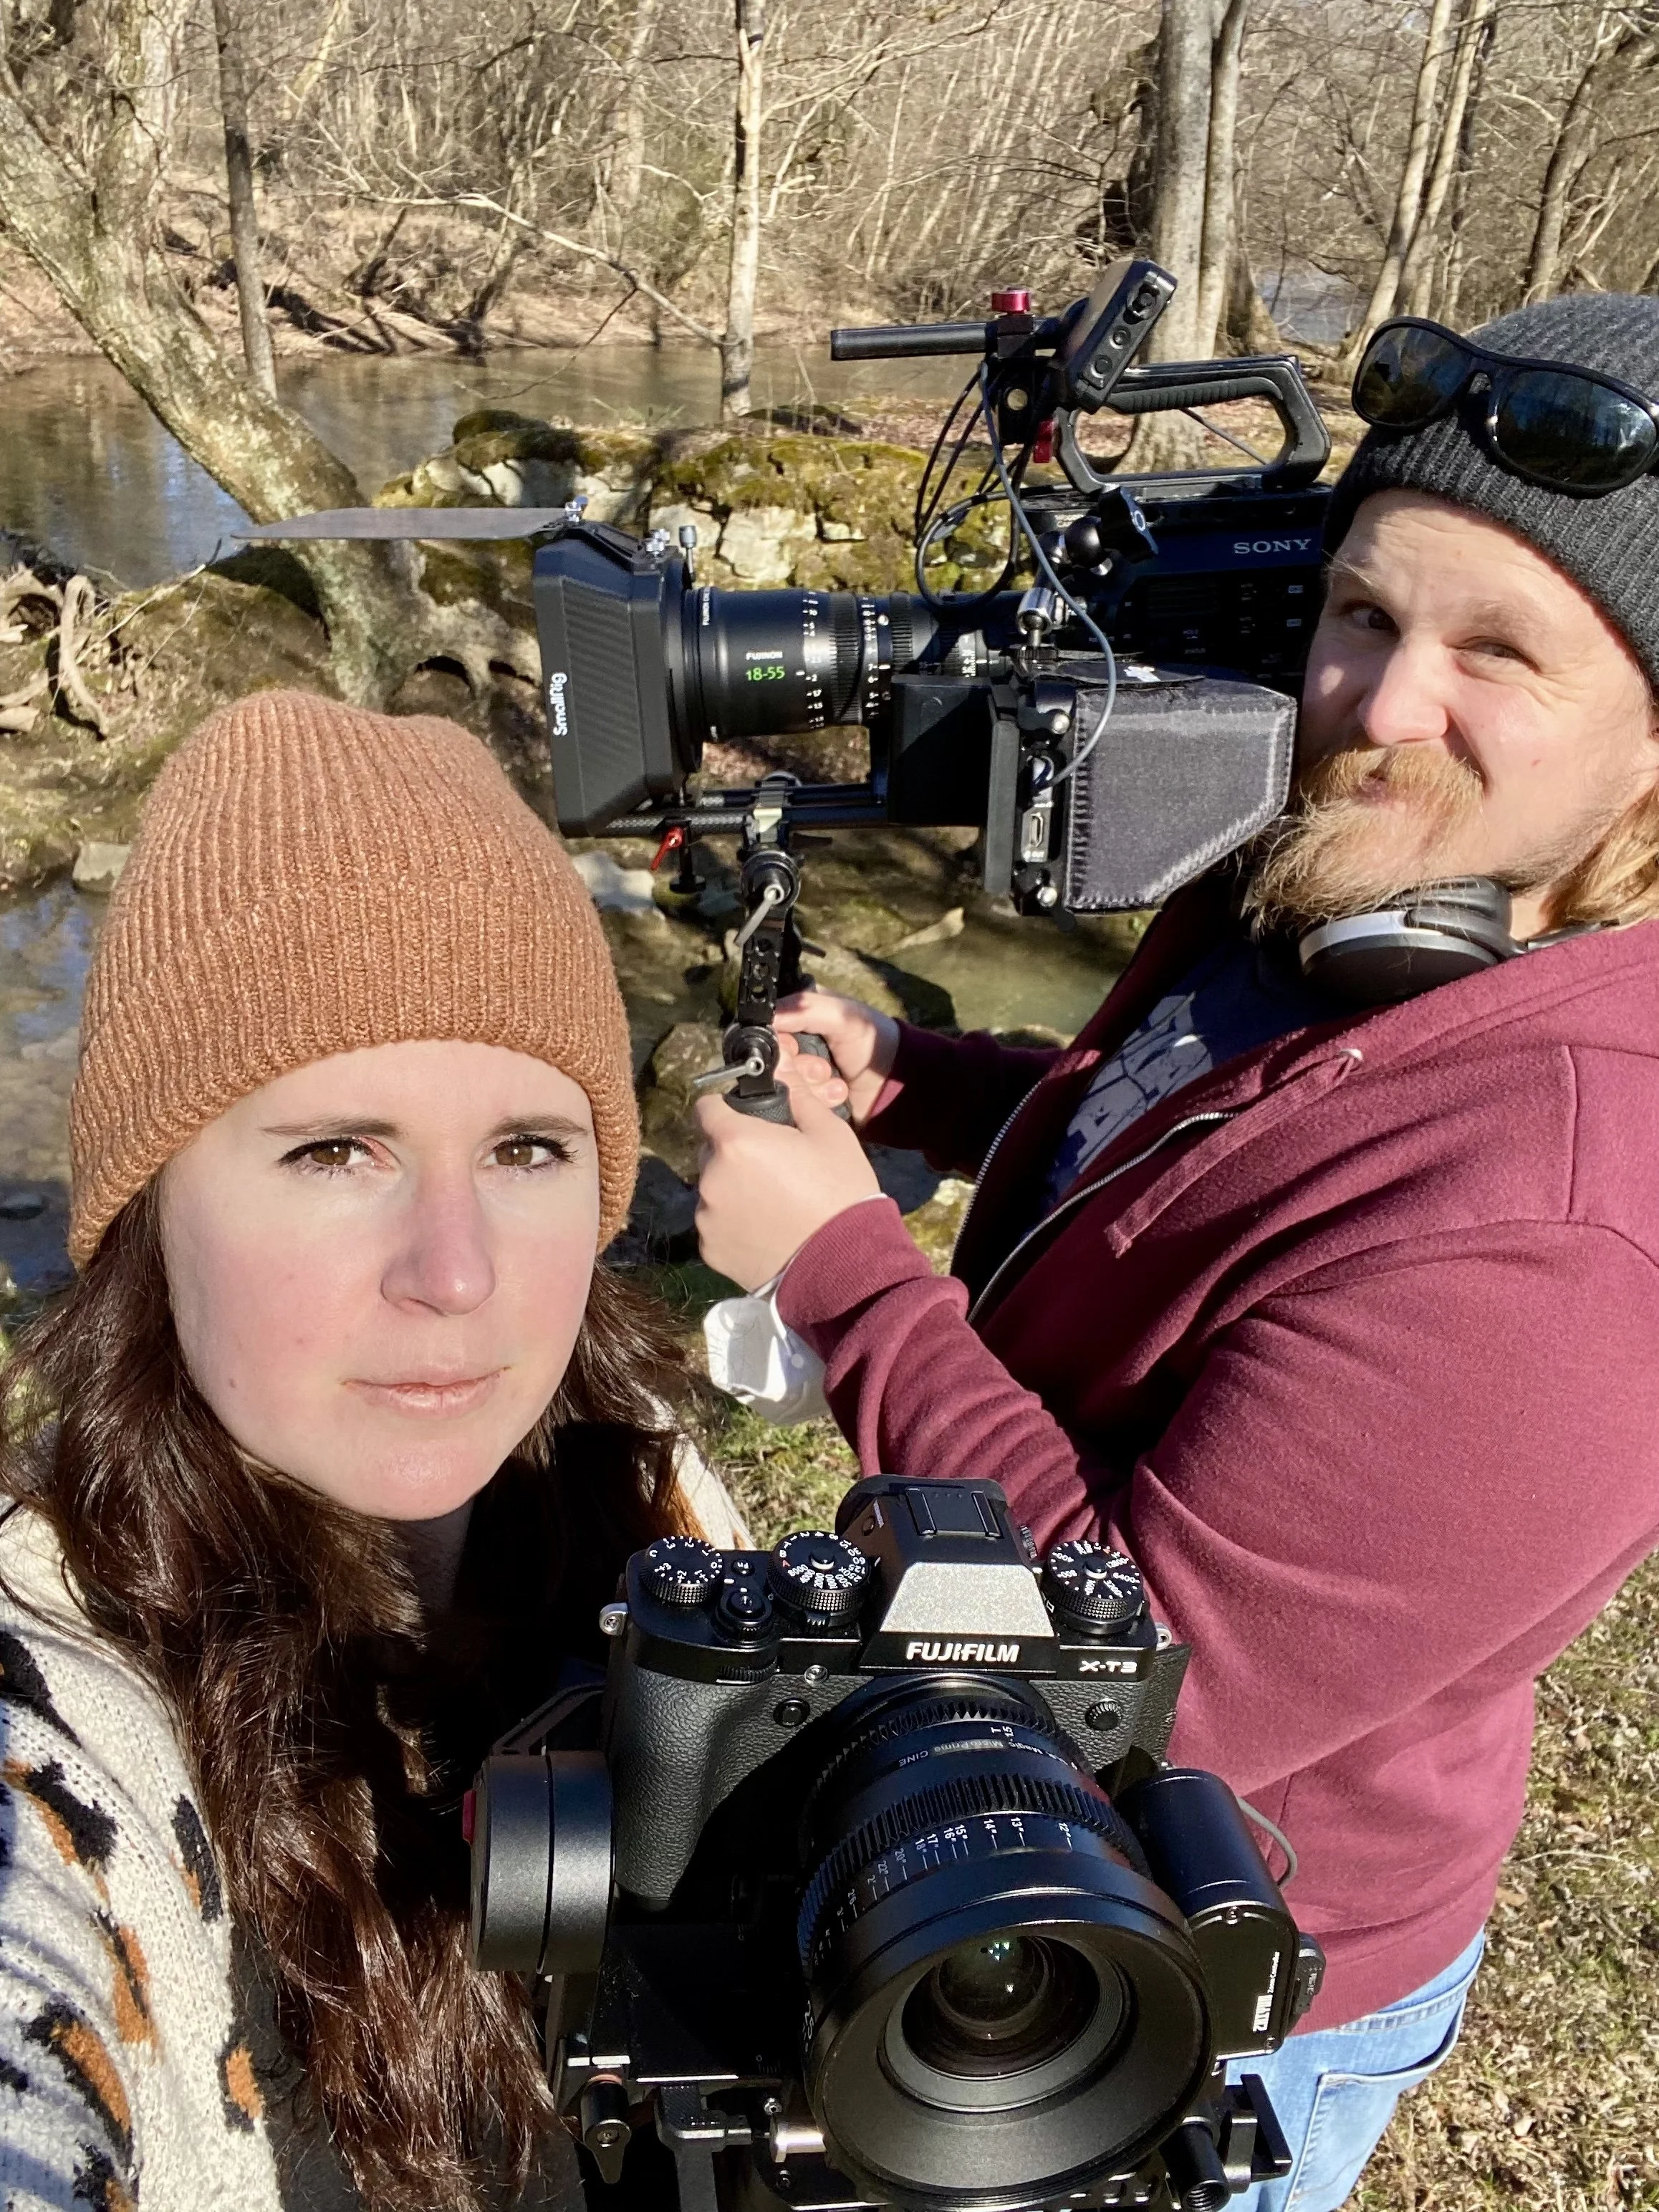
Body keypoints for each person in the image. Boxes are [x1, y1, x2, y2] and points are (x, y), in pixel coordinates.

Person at [693, 290, 1659, 2209]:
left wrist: (843, 1280)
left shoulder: (1569, 1222)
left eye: (1498, 654)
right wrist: (935, 1084)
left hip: (1198, 1980)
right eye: (1365, 616)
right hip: (1015, 1839)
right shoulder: (1374, 884)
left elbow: (1163, 1674)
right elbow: (1187, 1120)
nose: (1382, 709)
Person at [0, 691, 742, 2212]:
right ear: (145, 1205)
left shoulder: (657, 1507)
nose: (456, 1274)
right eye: (338, 1148)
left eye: (527, 1148)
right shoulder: (54, 1711)